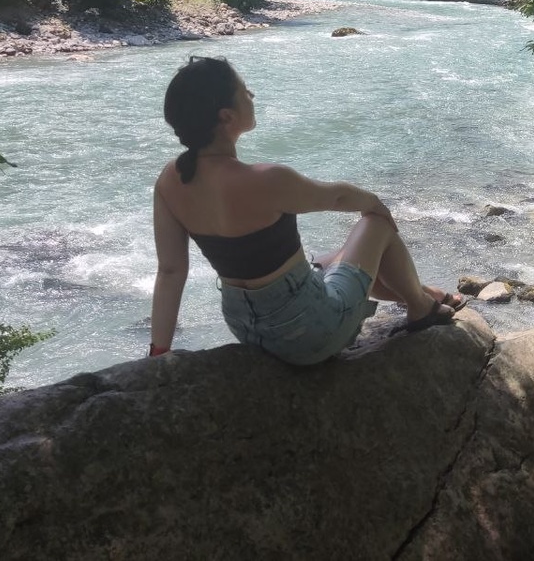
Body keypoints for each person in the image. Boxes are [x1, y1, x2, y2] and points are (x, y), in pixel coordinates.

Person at [149, 56, 463, 364]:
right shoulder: (267, 179)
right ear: (226, 117)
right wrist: (375, 203)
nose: (252, 95)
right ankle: (421, 307)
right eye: (244, 91)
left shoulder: (169, 180)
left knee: (332, 259)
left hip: (249, 332)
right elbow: (337, 197)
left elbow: (170, 271)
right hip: (312, 335)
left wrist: (159, 352)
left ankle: (420, 291)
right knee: (375, 225)